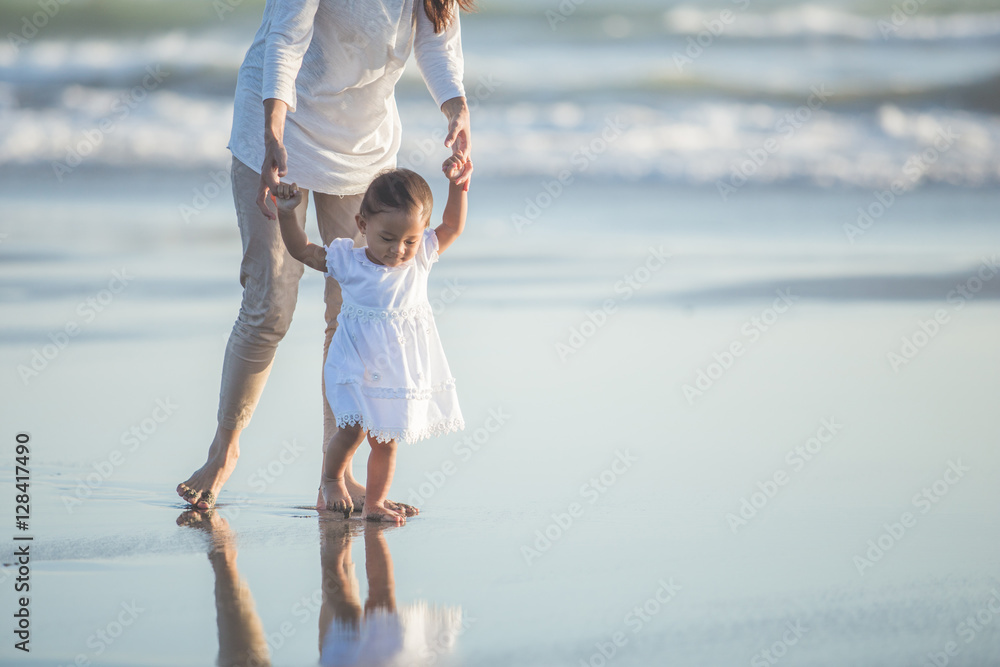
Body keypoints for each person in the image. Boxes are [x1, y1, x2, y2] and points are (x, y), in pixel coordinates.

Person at [177, 0, 474, 513]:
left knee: (354, 314)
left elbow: (435, 40)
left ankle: (334, 476)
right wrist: (273, 132)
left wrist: (457, 108)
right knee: (270, 302)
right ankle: (224, 449)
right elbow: (286, 37)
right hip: (278, 126)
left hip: (362, 145)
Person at [272, 157, 470, 523]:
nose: (398, 249)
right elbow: (301, 249)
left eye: (410, 240)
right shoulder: (349, 260)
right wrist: (287, 211)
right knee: (353, 429)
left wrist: (458, 186)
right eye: (387, 238)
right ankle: (331, 480)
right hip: (353, 364)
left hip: (396, 370)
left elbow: (453, 225)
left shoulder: (420, 259)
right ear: (363, 225)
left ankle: (376, 502)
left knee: (386, 440)